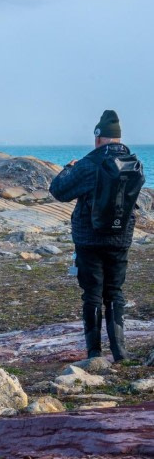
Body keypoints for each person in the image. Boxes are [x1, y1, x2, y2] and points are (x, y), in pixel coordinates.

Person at [49, 110, 145, 362]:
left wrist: (66, 170)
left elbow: (59, 191)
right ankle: (120, 352)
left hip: (88, 239)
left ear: (98, 137)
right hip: (120, 238)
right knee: (115, 292)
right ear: (119, 137)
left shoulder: (89, 163)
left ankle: (94, 352)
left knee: (92, 294)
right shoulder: (134, 162)